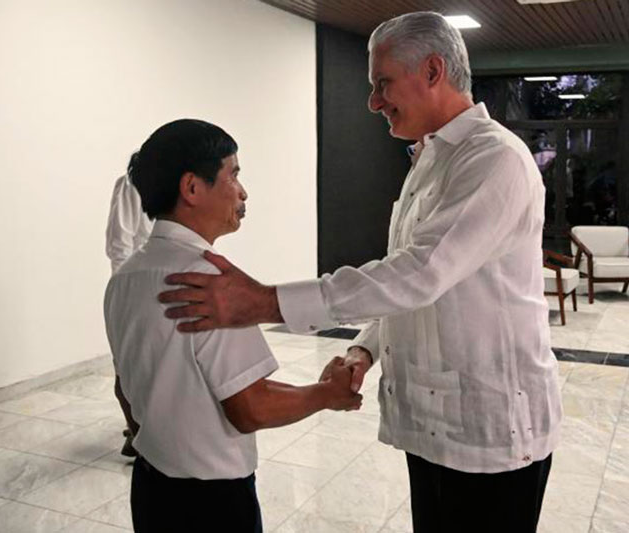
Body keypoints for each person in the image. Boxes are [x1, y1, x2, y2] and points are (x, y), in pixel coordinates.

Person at [159, 12, 561, 533]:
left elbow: (420, 274)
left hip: (490, 434)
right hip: (439, 429)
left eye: (382, 82)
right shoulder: (430, 160)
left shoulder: (493, 159)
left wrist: (263, 301)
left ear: (433, 71)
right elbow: (420, 288)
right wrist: (366, 348)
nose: (374, 101)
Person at [104, 119, 362, 533]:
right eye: (233, 174)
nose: (242, 192)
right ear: (191, 188)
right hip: (210, 506)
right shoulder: (209, 286)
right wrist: (326, 394)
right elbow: (250, 406)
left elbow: (125, 389)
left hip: (150, 491)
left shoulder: (125, 279)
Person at [105, 172, 154, 457]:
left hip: (163, 283)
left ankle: (145, 431)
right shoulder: (132, 182)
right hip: (134, 287)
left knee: (153, 365)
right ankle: (136, 434)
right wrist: (126, 291)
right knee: (126, 366)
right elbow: (119, 244)